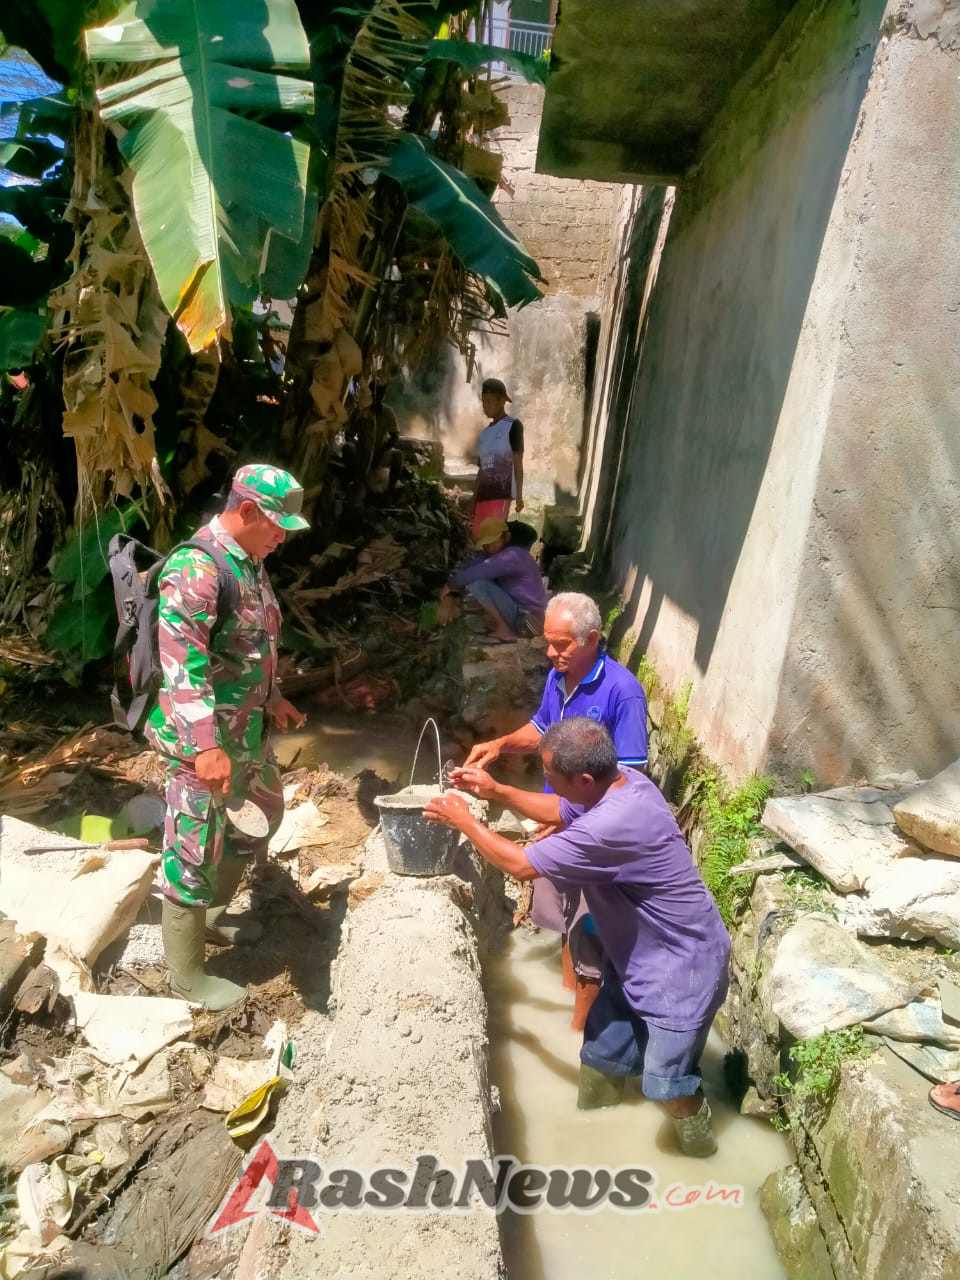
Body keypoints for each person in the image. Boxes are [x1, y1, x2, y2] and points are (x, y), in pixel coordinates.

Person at [428, 718, 730, 1156]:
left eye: (549, 775)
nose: (545, 781)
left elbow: (520, 865)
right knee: (600, 1057)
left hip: (683, 968)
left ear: (584, 777)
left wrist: (463, 821)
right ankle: (595, 1142)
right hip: (638, 959)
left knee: (664, 1086)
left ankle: (701, 1151)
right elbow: (559, 810)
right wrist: (496, 792)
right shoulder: (626, 784)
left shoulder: (611, 825)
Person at [145, 464, 309, 1011]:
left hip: (247, 731)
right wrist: (203, 746)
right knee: (193, 848)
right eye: (277, 524)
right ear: (246, 511)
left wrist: (273, 694)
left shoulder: (250, 563)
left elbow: (250, 646)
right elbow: (182, 665)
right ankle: (186, 976)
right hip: (205, 742)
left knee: (262, 814)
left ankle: (210, 919)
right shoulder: (198, 567)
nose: (283, 535)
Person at [464, 592, 648, 1028]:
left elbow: (629, 781)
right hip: (560, 821)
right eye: (548, 642)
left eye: (561, 644)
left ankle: (581, 1035)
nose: (551, 652)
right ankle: (569, 1004)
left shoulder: (623, 693)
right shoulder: (557, 677)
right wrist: (501, 743)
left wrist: (570, 821)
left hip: (592, 836)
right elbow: (543, 728)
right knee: (567, 923)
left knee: (589, 937)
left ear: (592, 639)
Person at [439, 517, 547, 643]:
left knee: (478, 585)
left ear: (506, 537)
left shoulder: (513, 556)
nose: (490, 547)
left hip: (530, 621)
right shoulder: (494, 554)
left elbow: (472, 575)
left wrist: (450, 585)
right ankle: (502, 626)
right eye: (487, 544)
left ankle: (504, 630)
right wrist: (450, 594)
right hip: (520, 615)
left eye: (494, 542)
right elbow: (465, 569)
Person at [472, 377, 524, 538]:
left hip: (501, 494)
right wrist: (474, 498)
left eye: (489, 401)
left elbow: (517, 462)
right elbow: (482, 470)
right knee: (478, 536)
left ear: (502, 401)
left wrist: (519, 496)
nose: (485, 406)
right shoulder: (484, 434)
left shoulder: (513, 425)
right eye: (483, 402)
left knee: (493, 539)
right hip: (483, 496)